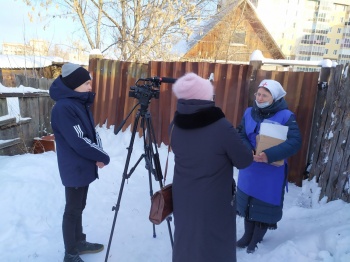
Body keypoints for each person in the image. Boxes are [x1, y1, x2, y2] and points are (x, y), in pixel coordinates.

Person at [170, 72, 253, 262]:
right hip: (213, 200)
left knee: (186, 241)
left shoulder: (174, 124)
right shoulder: (221, 126)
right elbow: (244, 160)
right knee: (214, 245)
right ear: (205, 97)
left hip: (183, 197)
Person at [49, 63, 110, 262]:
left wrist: (99, 153)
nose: (90, 86)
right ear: (74, 85)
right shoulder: (64, 107)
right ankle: (70, 253)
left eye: (89, 82)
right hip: (73, 166)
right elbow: (79, 140)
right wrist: (101, 156)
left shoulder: (79, 103)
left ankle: (79, 241)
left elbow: (92, 133)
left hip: (83, 165)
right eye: (86, 83)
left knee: (79, 206)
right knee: (72, 209)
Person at [236, 79, 302, 253]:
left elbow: (295, 142)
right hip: (250, 166)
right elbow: (241, 133)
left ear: (275, 98)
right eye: (258, 94)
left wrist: (269, 155)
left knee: (263, 203)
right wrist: (247, 149)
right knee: (248, 201)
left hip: (270, 170)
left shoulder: (286, 116)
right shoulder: (249, 112)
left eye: (265, 95)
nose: (260, 97)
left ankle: (256, 239)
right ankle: (246, 236)